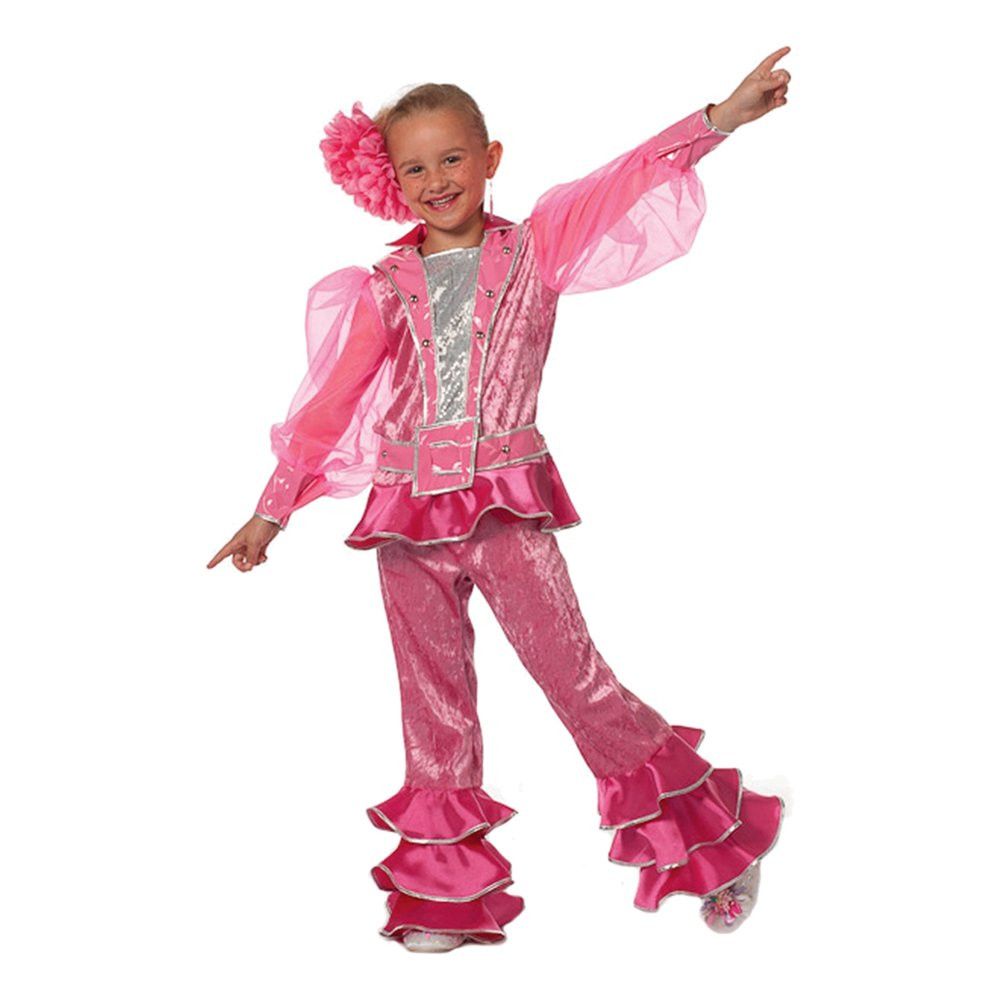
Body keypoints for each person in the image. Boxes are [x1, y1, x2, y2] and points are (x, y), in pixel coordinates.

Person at [208, 46, 793, 953]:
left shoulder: (537, 247)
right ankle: (443, 901)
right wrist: (272, 509)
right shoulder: (384, 288)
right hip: (405, 516)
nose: (436, 180)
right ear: (391, 181)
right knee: (431, 706)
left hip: (506, 507)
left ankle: (715, 845)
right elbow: (328, 406)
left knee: (578, 683)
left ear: (490, 159)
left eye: (452, 158)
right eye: (414, 168)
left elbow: (625, 177)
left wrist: (719, 117)